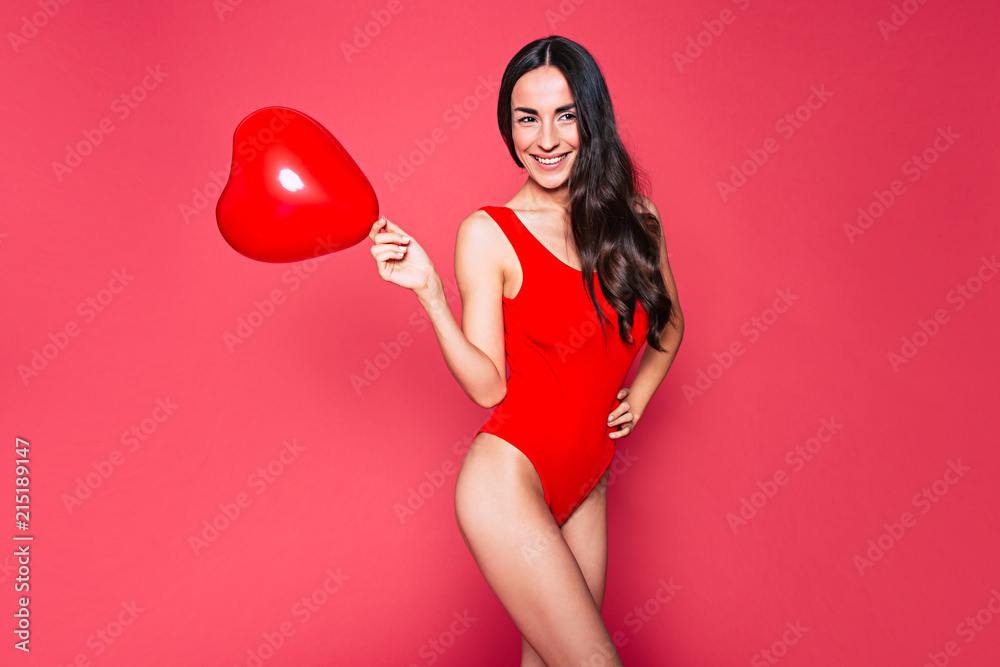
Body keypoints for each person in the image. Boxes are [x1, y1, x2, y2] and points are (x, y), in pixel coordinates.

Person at [369, 35, 683, 667]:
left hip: (587, 480)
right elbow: (489, 387)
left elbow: (668, 327)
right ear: (508, 130)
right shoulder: (488, 233)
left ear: (592, 120)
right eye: (527, 118)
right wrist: (430, 292)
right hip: (507, 480)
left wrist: (638, 399)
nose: (546, 139)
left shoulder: (637, 220)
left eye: (565, 115)